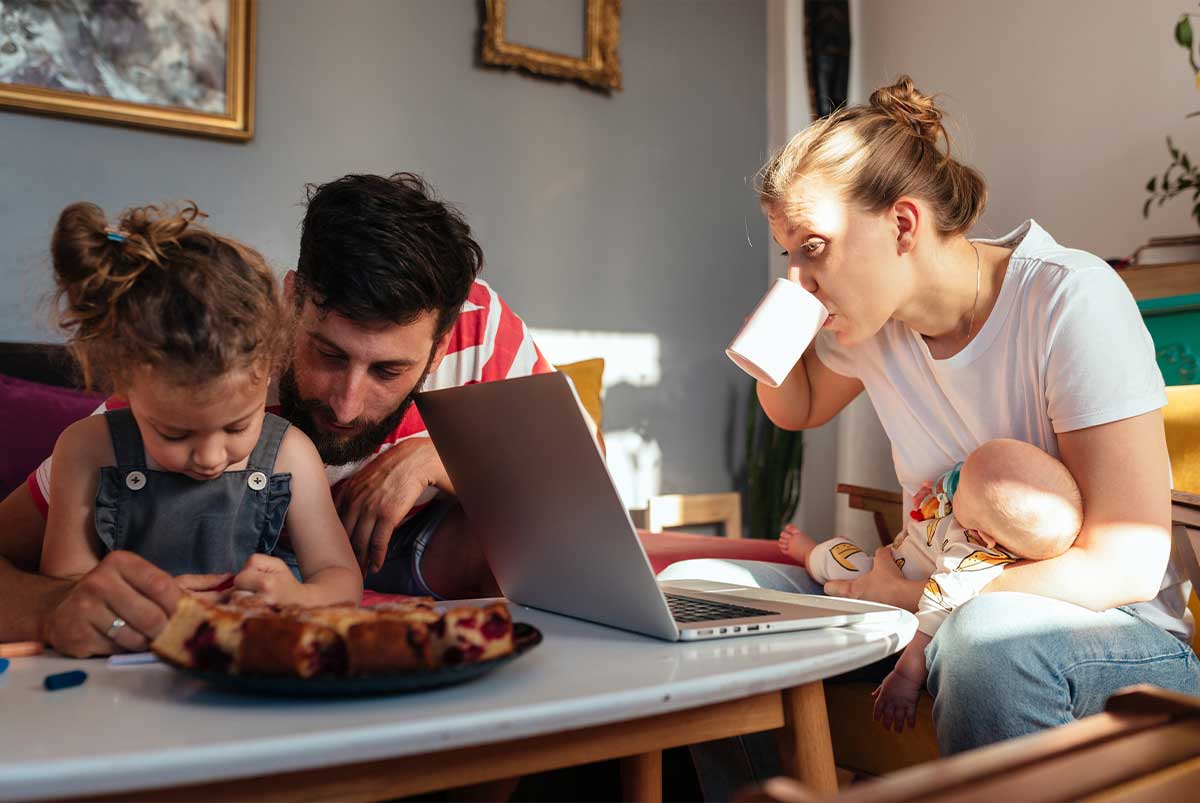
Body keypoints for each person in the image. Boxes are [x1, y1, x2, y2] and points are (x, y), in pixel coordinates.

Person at [665, 75, 1200, 756]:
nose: (798, 277)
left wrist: (917, 594)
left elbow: (1125, 565)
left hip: (1113, 634)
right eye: (788, 254)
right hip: (927, 600)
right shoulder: (876, 326)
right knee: (697, 595)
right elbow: (797, 408)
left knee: (986, 640)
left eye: (815, 247)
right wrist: (773, 340)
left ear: (903, 224)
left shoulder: (1069, 301)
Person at [0, 172, 552, 657]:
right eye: (328, 355)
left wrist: (438, 458)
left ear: (440, 347)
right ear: (292, 303)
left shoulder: (483, 334)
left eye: (387, 371)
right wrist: (60, 608)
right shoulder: (197, 378)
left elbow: (575, 494)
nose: (346, 404)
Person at [39, 201, 361, 617]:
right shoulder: (86, 449)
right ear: (126, 385)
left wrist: (301, 598)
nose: (210, 458)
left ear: (270, 373)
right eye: (174, 434)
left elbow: (341, 578)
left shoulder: (291, 454)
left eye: (237, 427)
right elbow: (64, 590)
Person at [780, 439, 1083, 732]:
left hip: (881, 585)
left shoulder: (966, 561)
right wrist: (941, 487)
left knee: (837, 557)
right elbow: (957, 478)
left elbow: (933, 615)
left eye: (960, 489)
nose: (955, 484)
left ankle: (809, 554)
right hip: (894, 561)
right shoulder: (984, 514)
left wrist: (905, 676)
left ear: (980, 536)